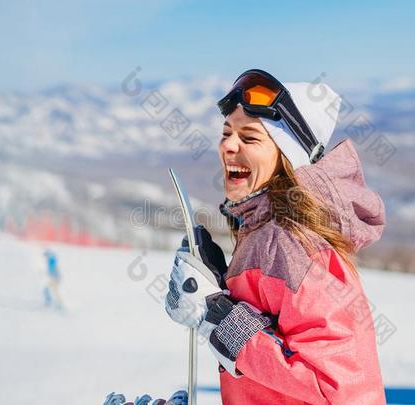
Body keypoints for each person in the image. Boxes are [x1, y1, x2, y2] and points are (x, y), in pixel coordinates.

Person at [165, 69, 386, 404]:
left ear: (287, 159)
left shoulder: (294, 243)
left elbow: (335, 389)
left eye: (250, 138)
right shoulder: (262, 229)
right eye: (226, 132)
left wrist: (217, 315)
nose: (228, 145)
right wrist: (221, 289)